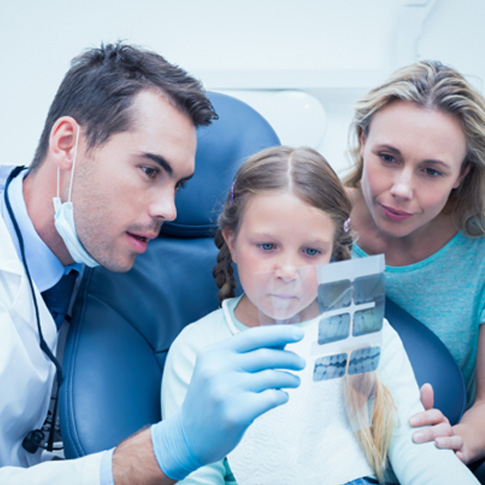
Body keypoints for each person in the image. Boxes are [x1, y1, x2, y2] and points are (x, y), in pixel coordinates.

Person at [0, 42, 307, 484]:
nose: (170, 210)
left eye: (179, 185)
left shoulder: (94, 247)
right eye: (149, 171)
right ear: (67, 144)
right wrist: (169, 448)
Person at [161, 145, 478, 484]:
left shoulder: (359, 327)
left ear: (331, 255)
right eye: (267, 246)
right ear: (233, 241)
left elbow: (417, 450)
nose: (287, 270)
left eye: (311, 251)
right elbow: (195, 474)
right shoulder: (199, 348)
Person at [344, 60, 485, 467]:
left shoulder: (478, 253)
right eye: (387, 157)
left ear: (461, 174)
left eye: (431, 171)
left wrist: (456, 442)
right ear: (362, 140)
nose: (402, 189)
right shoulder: (317, 223)